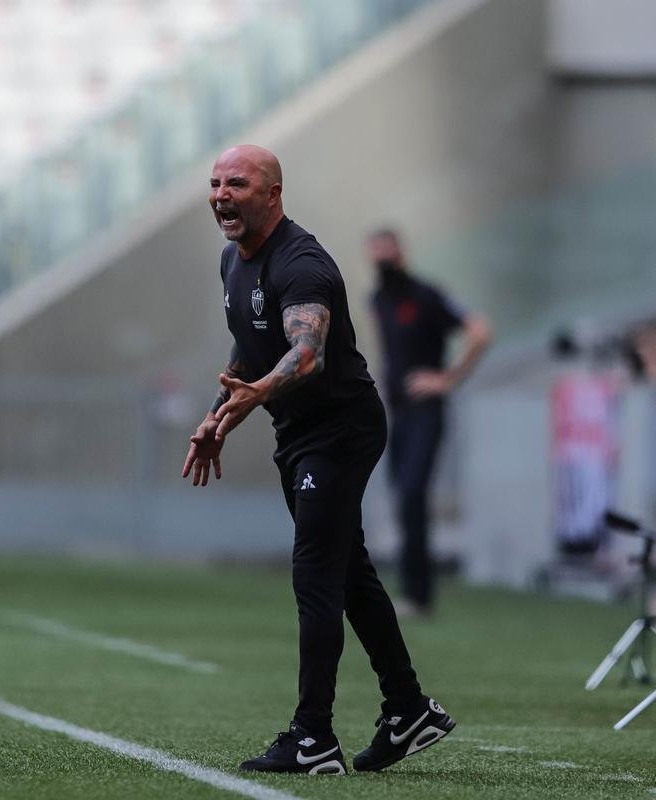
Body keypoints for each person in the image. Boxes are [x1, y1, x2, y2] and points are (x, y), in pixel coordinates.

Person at [182, 145, 454, 774]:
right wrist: (219, 414)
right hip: (301, 434)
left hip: (340, 431)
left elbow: (306, 353)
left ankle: (313, 737)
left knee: (316, 575)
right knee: (348, 570)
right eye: (216, 184)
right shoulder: (233, 260)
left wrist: (257, 396)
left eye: (238, 184)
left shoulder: (303, 263)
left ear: (273, 194)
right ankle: (408, 708)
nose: (222, 195)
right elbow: (250, 347)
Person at [368, 229, 492, 616]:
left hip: (427, 411)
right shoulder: (378, 300)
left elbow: (481, 332)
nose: (381, 263)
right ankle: (412, 590)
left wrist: (447, 378)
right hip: (398, 413)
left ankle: (418, 594)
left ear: (401, 254)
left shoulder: (427, 295)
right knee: (402, 497)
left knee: (412, 493)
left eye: (386, 255)